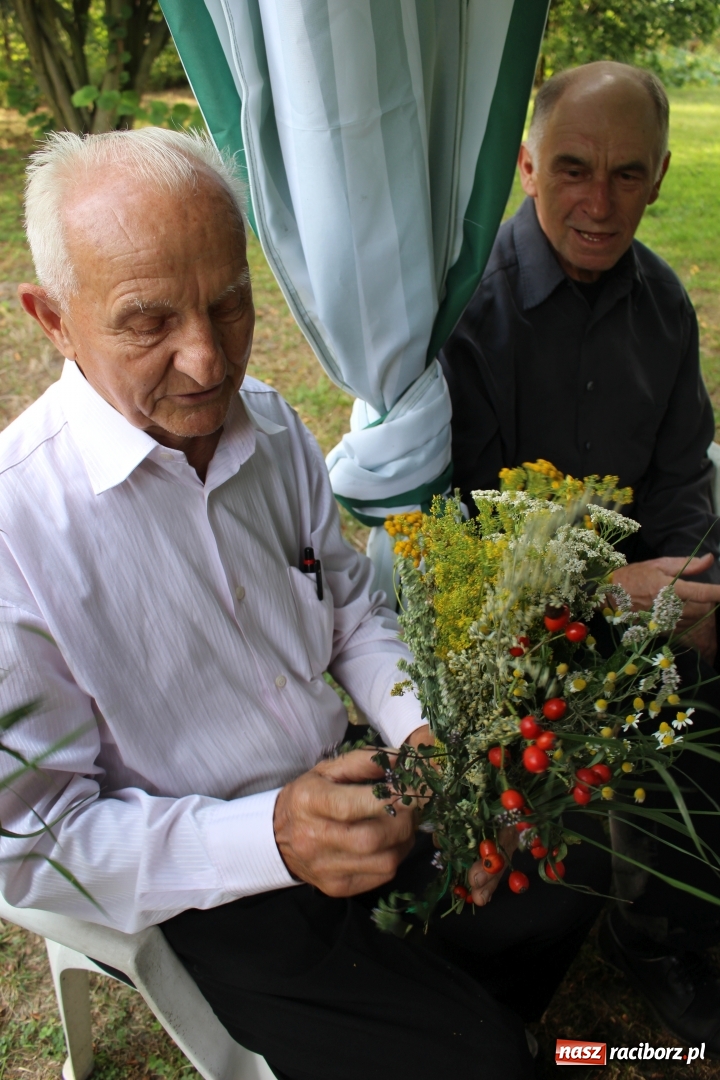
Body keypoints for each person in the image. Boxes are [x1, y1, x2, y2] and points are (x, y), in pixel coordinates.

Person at [0, 128, 609, 1080]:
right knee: (488, 1064)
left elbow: (350, 613)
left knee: (575, 862)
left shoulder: (275, 430)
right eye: (147, 322)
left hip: (355, 782)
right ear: (53, 320)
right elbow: (34, 847)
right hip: (207, 886)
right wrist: (272, 838)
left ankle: (452, 1005)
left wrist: (421, 736)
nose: (207, 361)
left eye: (230, 303)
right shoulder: (14, 529)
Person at [440, 61, 720, 1053]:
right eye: (573, 169)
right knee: (649, 705)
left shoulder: (664, 303)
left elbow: (682, 476)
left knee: (697, 664)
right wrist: (609, 594)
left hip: (644, 587)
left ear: (660, 176)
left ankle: (666, 922)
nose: (600, 202)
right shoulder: (466, 314)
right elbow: (461, 542)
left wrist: (687, 586)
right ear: (526, 166)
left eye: (627, 173)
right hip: (505, 616)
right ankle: (615, 933)